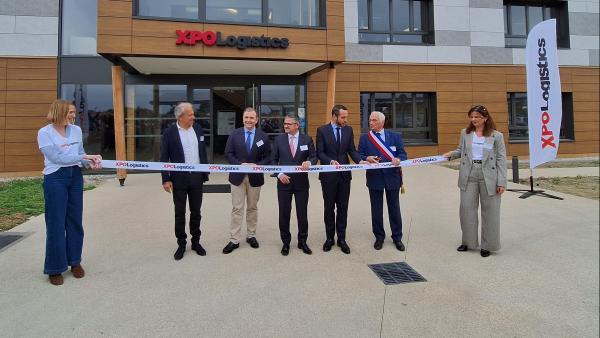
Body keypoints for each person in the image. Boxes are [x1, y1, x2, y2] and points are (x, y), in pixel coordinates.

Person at [37, 99, 102, 286]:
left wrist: (90, 163)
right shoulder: (44, 133)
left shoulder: (76, 130)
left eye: (74, 112)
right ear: (59, 112)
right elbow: (56, 157)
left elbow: (80, 154)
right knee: (56, 223)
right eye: (70, 112)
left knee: (75, 220)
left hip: (74, 176)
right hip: (55, 177)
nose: (74, 116)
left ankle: (75, 262)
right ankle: (54, 268)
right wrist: (83, 157)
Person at [443, 105, 507, 257]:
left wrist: (501, 182)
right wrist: (451, 154)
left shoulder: (496, 136)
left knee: (490, 212)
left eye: (477, 117)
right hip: (469, 174)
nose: (473, 120)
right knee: (466, 209)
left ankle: (488, 245)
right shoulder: (465, 133)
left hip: (489, 176)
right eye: (471, 117)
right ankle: (468, 242)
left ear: (485, 118)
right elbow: (461, 150)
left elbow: (501, 159)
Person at [160, 102, 209, 260]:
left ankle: (196, 242)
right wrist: (165, 179)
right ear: (180, 117)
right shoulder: (169, 132)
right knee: (179, 213)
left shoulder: (198, 129)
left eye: (193, 114)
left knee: (196, 212)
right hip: (179, 179)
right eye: (190, 115)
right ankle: (181, 243)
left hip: (196, 178)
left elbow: (202, 151)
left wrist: (205, 171)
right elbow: (163, 157)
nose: (193, 117)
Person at [222, 107, 271, 254]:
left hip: (255, 178)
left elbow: (268, 157)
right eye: (246, 118)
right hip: (237, 177)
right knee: (237, 208)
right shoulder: (235, 134)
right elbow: (228, 153)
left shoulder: (263, 136)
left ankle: (251, 235)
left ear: (256, 120)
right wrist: (239, 165)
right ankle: (234, 239)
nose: (249, 120)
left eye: (251, 118)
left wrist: (258, 166)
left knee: (252, 207)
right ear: (243, 119)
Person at [358, 111, 408, 251]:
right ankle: (379, 237)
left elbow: (403, 154)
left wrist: (399, 159)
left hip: (392, 177)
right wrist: (366, 158)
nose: (371, 122)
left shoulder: (395, 136)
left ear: (382, 122)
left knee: (394, 208)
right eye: (370, 120)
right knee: (376, 209)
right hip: (375, 178)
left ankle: (397, 237)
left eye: (374, 120)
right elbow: (359, 154)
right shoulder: (365, 138)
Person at [316, 104, 361, 254]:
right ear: (334, 116)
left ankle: (342, 239)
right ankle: (330, 238)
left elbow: (352, 150)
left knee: (343, 208)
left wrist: (361, 161)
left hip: (344, 176)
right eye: (343, 117)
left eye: (346, 117)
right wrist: (329, 161)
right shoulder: (322, 130)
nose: (345, 120)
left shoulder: (348, 130)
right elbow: (320, 152)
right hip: (328, 176)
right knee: (329, 208)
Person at [271, 115, 317, 256]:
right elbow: (272, 161)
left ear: (297, 125)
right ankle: (285, 242)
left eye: (289, 124)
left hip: (301, 183)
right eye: (285, 124)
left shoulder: (306, 139)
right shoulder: (279, 140)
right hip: (283, 182)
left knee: (302, 214)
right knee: (284, 213)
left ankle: (302, 241)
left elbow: (314, 156)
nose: (285, 126)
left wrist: (309, 162)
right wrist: (279, 174)